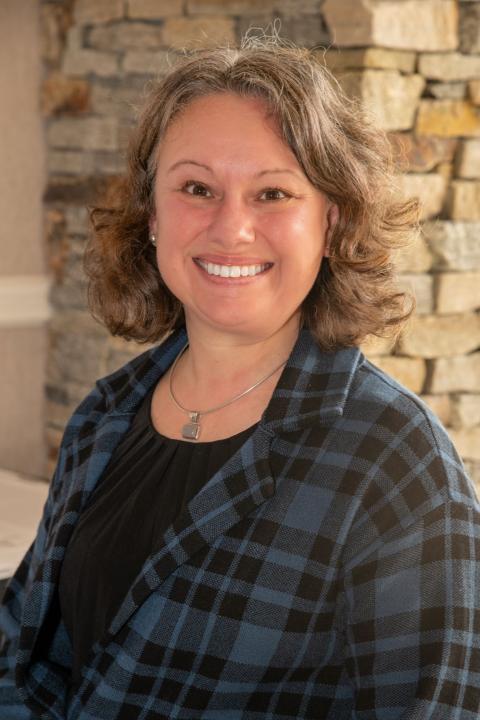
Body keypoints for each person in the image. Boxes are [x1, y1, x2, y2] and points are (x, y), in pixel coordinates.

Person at [1, 36, 479, 720]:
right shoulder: (104, 415)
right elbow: (25, 652)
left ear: (329, 220)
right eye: (197, 188)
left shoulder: (397, 463)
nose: (232, 228)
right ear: (154, 216)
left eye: (273, 192)